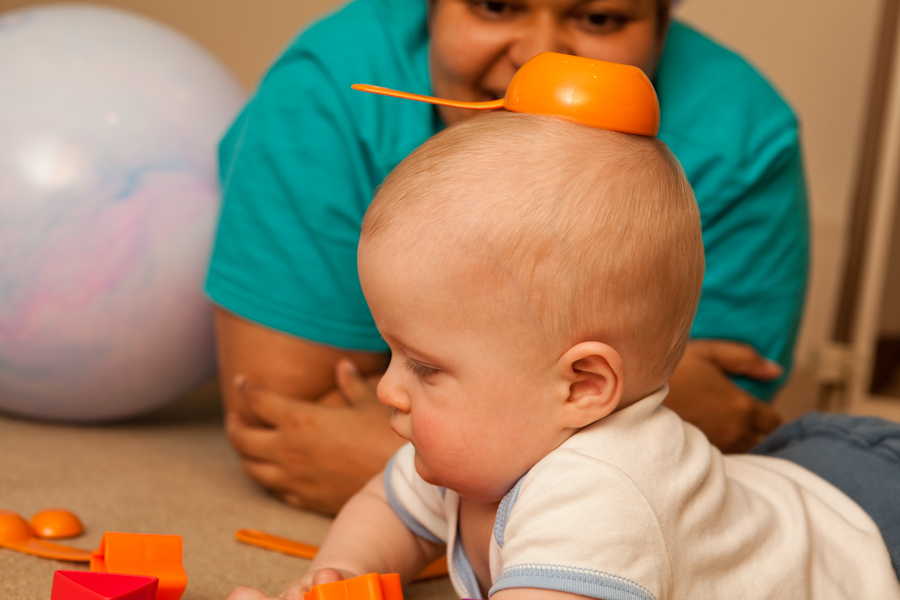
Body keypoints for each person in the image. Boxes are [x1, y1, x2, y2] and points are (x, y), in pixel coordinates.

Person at [228, 113, 898, 600]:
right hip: (785, 482)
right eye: (392, 355)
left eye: (425, 367)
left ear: (581, 385)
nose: (388, 391)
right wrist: (338, 576)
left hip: (870, 520)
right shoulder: (484, 441)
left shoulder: (602, 498)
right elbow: (389, 507)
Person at [207, 0, 808, 514]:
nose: (540, 56)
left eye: (599, 17)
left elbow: (709, 435)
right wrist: (668, 397)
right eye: (496, 5)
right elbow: (285, 422)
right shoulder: (329, 87)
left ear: (662, 23)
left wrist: (393, 461)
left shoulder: (746, 139)